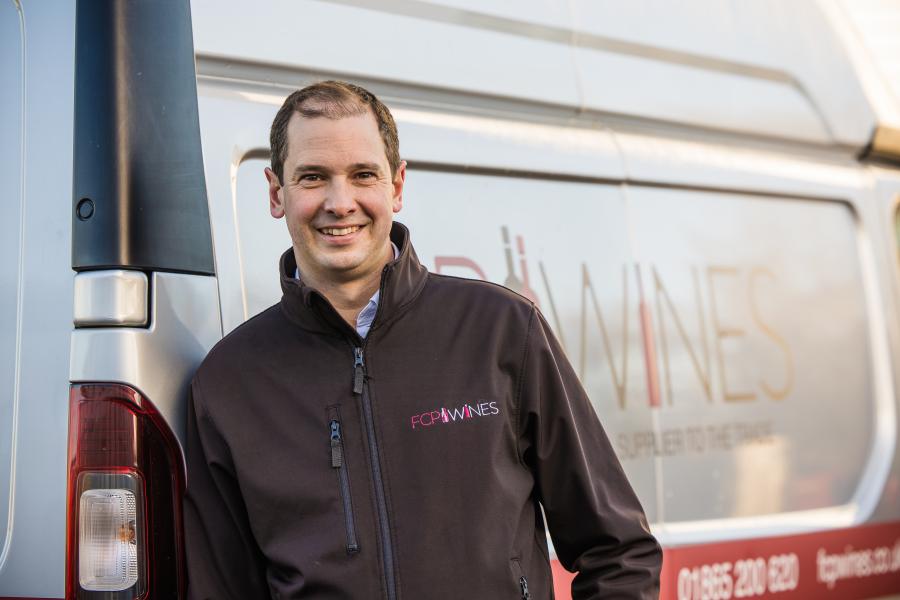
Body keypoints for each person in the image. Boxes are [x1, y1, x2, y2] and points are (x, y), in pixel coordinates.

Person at [183, 80, 662, 599]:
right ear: (277, 194)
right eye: (313, 177)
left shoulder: (501, 331)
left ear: (397, 186)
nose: (340, 203)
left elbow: (620, 553)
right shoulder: (230, 381)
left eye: (363, 174)